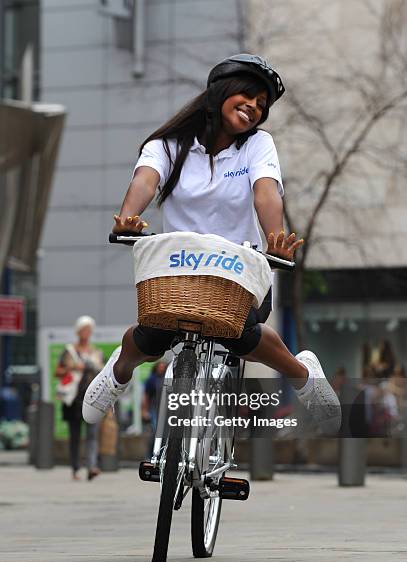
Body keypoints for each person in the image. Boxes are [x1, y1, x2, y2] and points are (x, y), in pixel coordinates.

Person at [82, 53, 341, 434]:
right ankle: (118, 372)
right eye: (247, 95)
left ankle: (303, 375)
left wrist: (276, 241)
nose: (254, 107)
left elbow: (266, 193)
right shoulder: (169, 144)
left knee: (239, 333)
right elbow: (145, 180)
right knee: (152, 334)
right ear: (220, 92)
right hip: (179, 267)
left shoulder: (257, 145)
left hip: (240, 268)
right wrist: (129, 216)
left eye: (261, 104)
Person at [55, 316, 104, 480]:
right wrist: (74, 367)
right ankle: (75, 468)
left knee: (92, 435)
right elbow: (57, 372)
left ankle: (91, 467)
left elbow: (103, 374)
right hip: (73, 399)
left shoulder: (96, 352)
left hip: (92, 398)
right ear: (78, 331)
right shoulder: (69, 351)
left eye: (89, 329)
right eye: (84, 329)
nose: (86, 332)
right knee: (75, 436)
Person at [141, 361, 167, 456]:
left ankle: (162, 454)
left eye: (163, 367)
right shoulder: (152, 380)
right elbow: (146, 396)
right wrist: (144, 410)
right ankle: (152, 455)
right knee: (157, 432)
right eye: (160, 367)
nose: (161, 368)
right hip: (155, 408)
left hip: (167, 409)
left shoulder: (168, 378)